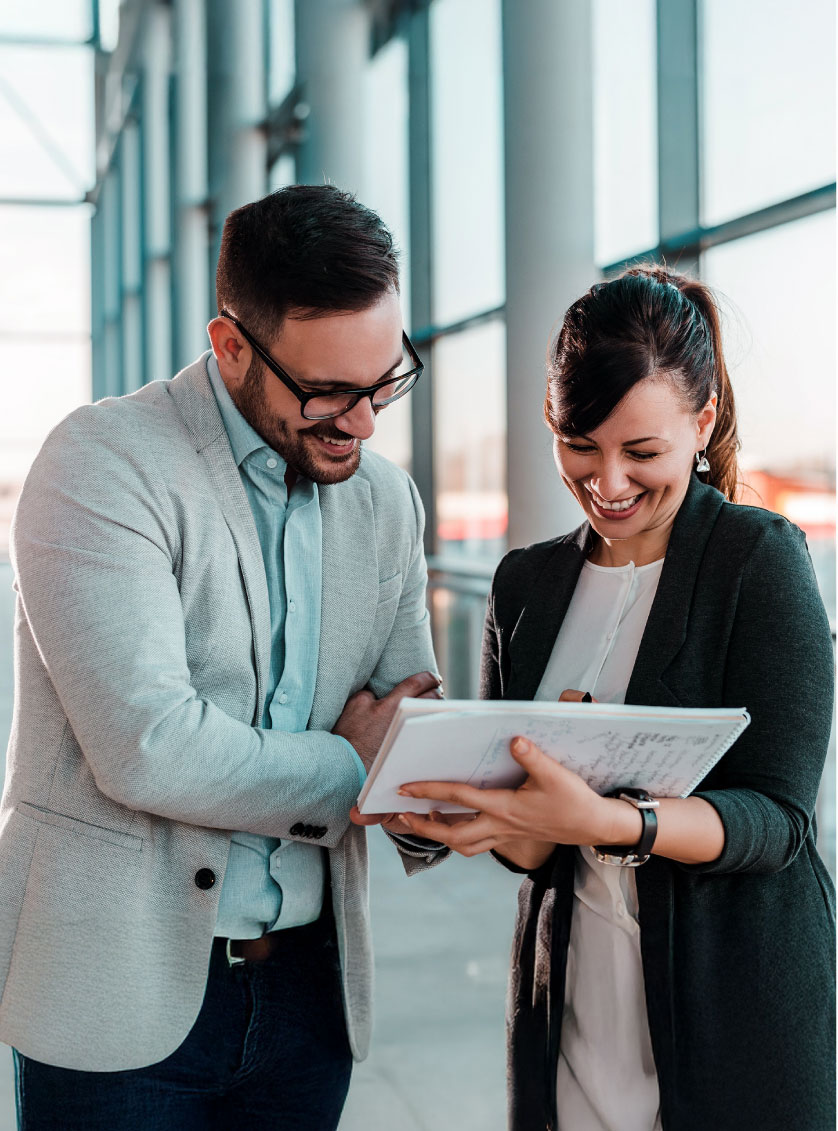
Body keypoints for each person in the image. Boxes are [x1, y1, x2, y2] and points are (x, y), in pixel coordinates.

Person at [2, 184, 446, 1130]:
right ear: (231, 343)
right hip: (116, 1000)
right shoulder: (103, 463)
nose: (363, 423)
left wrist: (438, 796)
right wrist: (355, 764)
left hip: (306, 1005)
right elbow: (148, 743)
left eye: (384, 383)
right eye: (329, 392)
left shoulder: (386, 502)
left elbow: (409, 722)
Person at [397, 266, 836, 1131]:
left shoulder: (760, 560)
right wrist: (473, 813)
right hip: (573, 1004)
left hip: (732, 1012)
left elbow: (779, 822)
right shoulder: (526, 583)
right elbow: (530, 847)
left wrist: (610, 820)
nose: (608, 482)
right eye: (579, 444)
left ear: (702, 423)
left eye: (642, 452)